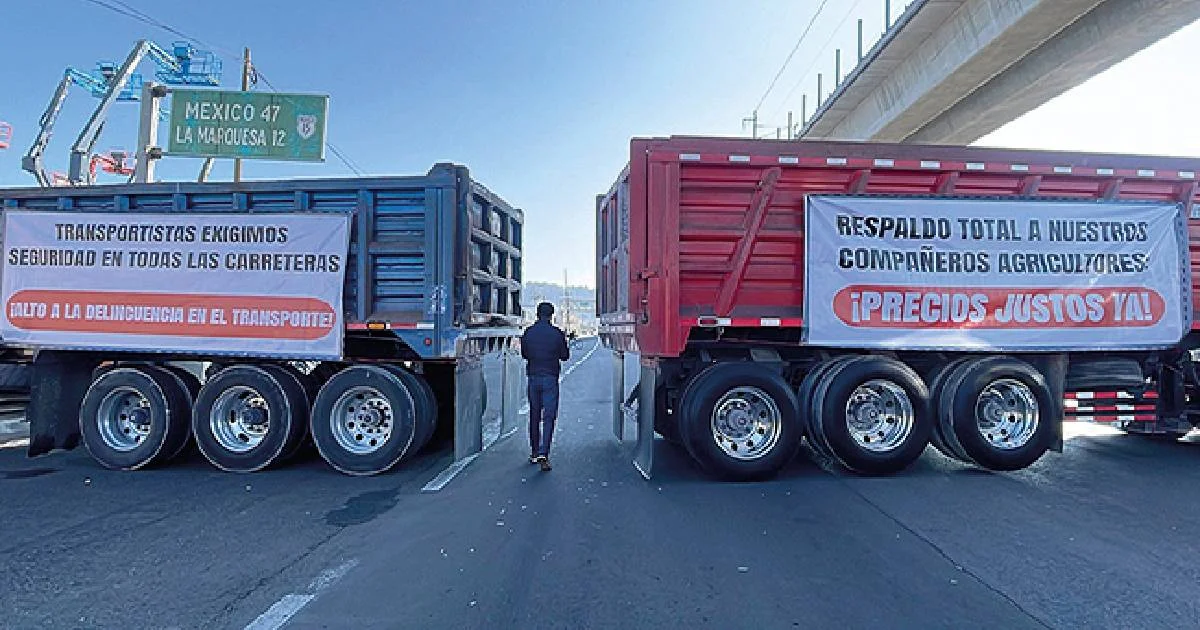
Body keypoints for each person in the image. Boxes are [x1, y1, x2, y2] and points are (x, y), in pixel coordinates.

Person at [521, 301, 570, 471]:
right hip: (550, 377)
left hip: (533, 377)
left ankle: (534, 452)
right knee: (548, 417)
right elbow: (565, 356)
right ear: (552, 315)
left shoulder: (528, 332)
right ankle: (544, 453)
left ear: (537, 314)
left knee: (534, 415)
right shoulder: (557, 334)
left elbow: (525, 354)